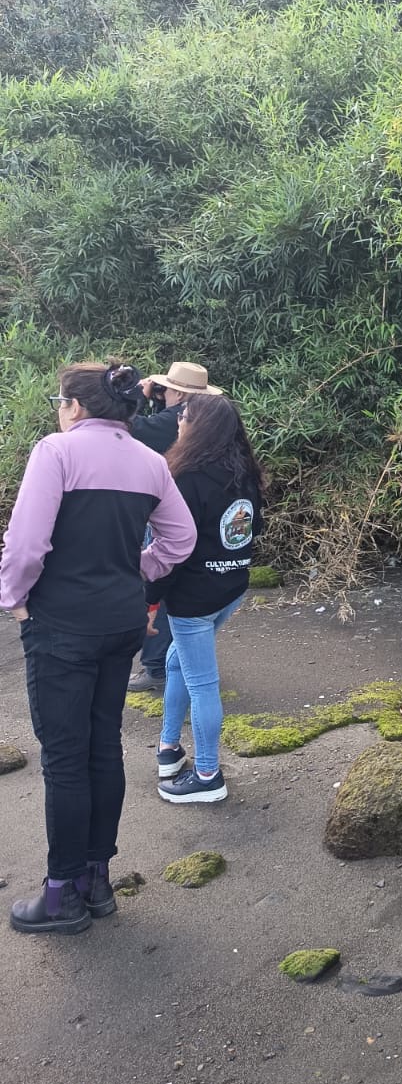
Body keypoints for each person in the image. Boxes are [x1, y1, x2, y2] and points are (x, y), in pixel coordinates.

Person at [0, 361, 197, 935]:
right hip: (121, 622)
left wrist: (12, 596)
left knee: (64, 759)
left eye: (61, 403)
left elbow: (27, 543)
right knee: (102, 747)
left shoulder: (56, 453)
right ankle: (96, 881)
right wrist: (135, 573)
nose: (59, 413)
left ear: (77, 406)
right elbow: (179, 538)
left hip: (61, 625)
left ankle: (60, 895)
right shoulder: (150, 461)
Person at [150, 393, 264, 805]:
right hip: (231, 588)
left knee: (202, 684)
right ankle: (167, 749)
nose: (178, 421)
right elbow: (254, 530)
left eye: (183, 415)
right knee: (175, 660)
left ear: (199, 426)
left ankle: (207, 775)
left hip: (193, 599)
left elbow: (172, 550)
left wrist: (149, 601)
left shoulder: (182, 477)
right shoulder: (245, 474)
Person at [127, 360, 225, 692]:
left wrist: (138, 398)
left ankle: (155, 667)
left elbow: (130, 430)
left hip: (168, 512)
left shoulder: (175, 417)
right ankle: (175, 661)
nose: (160, 392)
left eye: (165, 388)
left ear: (179, 393)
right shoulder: (206, 416)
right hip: (197, 516)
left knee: (162, 588)